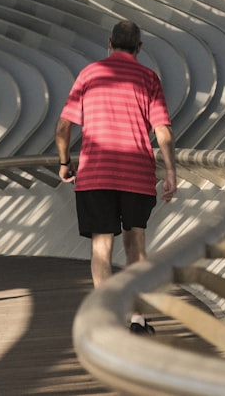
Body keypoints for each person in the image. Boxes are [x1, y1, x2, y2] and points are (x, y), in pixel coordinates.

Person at [55, 20, 177, 335]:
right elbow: (162, 129)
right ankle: (138, 320)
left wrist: (65, 162)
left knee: (101, 249)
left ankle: (106, 322)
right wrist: (171, 172)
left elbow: (63, 127)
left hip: (96, 173)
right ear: (139, 47)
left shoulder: (89, 75)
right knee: (135, 247)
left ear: (109, 42)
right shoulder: (149, 77)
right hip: (137, 174)